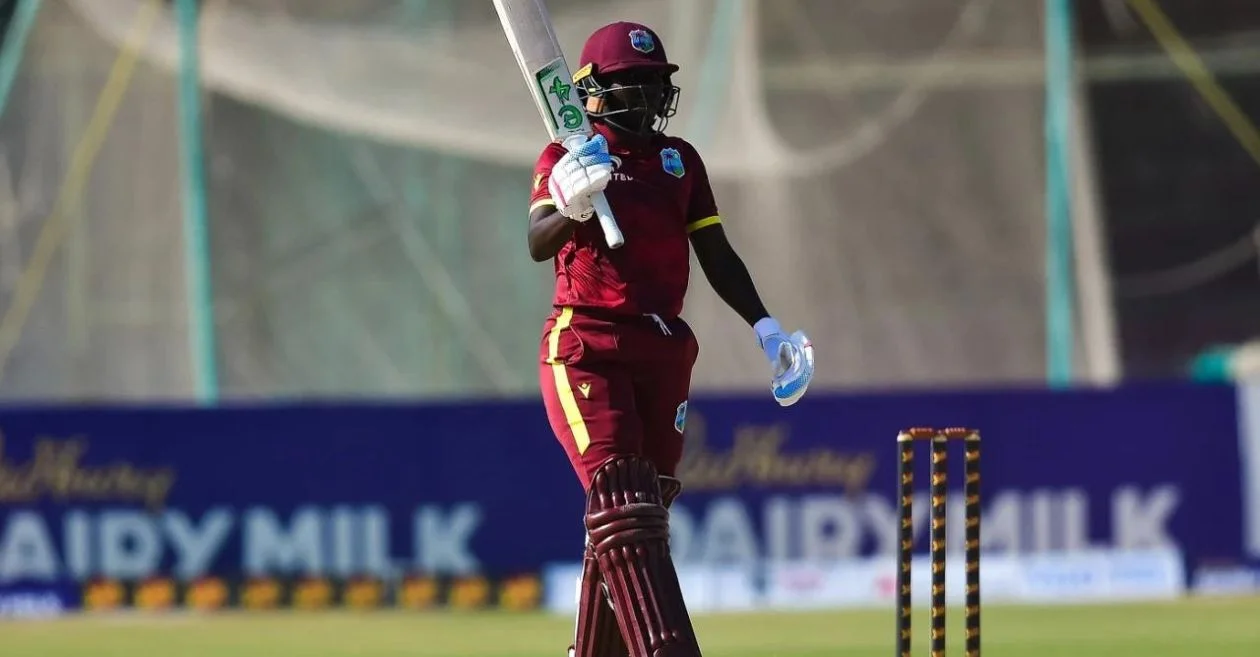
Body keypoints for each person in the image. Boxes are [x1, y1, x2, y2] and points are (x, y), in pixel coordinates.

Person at [527, 21, 814, 657]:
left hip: (663, 348)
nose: (651, 98)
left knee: (640, 510)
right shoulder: (564, 158)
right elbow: (536, 241)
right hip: (588, 344)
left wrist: (766, 328)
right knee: (623, 499)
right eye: (635, 85)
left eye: (658, 85)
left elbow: (716, 253)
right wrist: (570, 203)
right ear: (592, 92)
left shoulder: (678, 160)